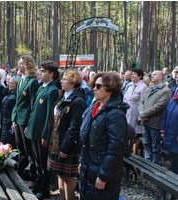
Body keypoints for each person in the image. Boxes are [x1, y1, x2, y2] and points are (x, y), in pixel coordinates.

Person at [78, 72, 129, 200]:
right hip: (89, 167)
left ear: (110, 88)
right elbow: (86, 139)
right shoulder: (94, 107)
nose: (94, 89)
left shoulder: (115, 114)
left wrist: (103, 175)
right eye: (94, 85)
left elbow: (115, 148)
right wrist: (81, 160)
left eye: (99, 86)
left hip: (102, 171)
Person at [47, 70, 87, 200]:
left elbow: (74, 127)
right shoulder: (64, 96)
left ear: (73, 82)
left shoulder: (77, 101)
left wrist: (64, 147)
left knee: (68, 177)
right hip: (58, 141)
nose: (61, 81)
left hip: (67, 145)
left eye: (64, 79)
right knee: (60, 174)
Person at [25, 61, 59, 199]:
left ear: (51, 74)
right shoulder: (42, 87)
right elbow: (34, 110)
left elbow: (49, 116)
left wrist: (46, 135)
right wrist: (28, 126)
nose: (40, 73)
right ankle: (38, 185)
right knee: (37, 161)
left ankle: (44, 190)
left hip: (41, 133)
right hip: (34, 129)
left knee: (44, 163)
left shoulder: (52, 90)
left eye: (43, 71)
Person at [11, 55, 39, 187]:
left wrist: (29, 124)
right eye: (19, 62)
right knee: (20, 147)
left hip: (26, 120)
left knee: (29, 149)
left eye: (22, 63)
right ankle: (21, 172)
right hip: (18, 119)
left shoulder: (32, 82)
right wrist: (13, 119)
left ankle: (32, 177)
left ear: (28, 65)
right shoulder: (21, 79)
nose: (19, 65)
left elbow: (33, 105)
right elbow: (17, 102)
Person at [138, 70, 171, 165]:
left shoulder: (165, 91)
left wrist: (145, 113)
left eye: (155, 74)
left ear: (161, 77)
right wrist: (141, 112)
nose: (152, 75)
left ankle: (155, 166)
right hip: (145, 123)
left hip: (155, 124)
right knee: (147, 145)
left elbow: (160, 105)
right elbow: (141, 101)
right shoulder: (149, 88)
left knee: (155, 147)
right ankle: (148, 164)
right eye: (152, 74)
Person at [123, 68, 148, 154]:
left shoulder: (143, 87)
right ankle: (126, 151)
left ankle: (134, 153)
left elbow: (143, 102)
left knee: (135, 133)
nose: (132, 76)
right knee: (126, 132)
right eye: (132, 74)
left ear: (140, 76)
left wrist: (139, 117)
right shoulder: (129, 85)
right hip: (127, 112)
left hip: (135, 112)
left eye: (135, 74)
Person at [160, 86, 178, 174]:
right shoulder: (173, 101)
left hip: (176, 137)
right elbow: (165, 116)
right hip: (171, 136)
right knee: (173, 158)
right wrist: (163, 130)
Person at [0, 76, 18, 148]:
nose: (10, 85)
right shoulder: (8, 93)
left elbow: (16, 110)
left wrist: (13, 123)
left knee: (9, 145)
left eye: (12, 83)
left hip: (10, 125)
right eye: (9, 83)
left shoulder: (16, 96)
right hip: (3, 124)